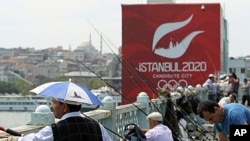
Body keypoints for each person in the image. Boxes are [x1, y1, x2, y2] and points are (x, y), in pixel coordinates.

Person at [10, 98, 112, 141]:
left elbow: (33, 139)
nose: (52, 106)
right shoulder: (98, 127)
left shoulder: (54, 130)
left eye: (54, 102)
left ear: (65, 107)